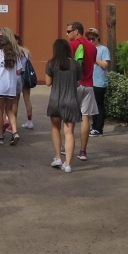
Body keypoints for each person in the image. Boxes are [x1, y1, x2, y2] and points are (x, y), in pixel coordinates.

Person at [46, 38, 82, 173]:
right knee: (69, 132)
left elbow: (48, 82)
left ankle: (57, 157)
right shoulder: (75, 64)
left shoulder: (51, 63)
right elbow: (78, 83)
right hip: (71, 101)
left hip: (55, 100)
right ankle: (67, 164)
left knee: (55, 128)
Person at [67, 21, 98, 162]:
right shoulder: (93, 47)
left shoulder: (71, 45)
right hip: (89, 84)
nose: (67, 34)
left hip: (75, 84)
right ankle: (83, 151)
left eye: (69, 31)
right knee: (86, 117)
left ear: (76, 31)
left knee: (71, 116)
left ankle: (68, 146)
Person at [0, 28, 23, 146]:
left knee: (0, 110)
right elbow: (19, 71)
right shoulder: (15, 53)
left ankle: (0, 136)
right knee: (9, 110)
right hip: (11, 87)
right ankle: (15, 132)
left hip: (0, 86)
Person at [87, 28, 110, 135]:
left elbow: (105, 65)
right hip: (90, 81)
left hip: (99, 82)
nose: (91, 41)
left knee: (99, 105)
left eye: (93, 38)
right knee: (92, 106)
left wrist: (94, 57)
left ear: (98, 38)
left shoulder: (103, 50)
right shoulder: (88, 49)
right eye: (89, 39)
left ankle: (98, 128)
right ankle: (94, 126)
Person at [15, 35, 35, 129]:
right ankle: (30, 121)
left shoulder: (17, 50)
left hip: (19, 76)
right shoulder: (26, 50)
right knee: (27, 99)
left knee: (16, 100)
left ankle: (12, 121)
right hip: (27, 76)